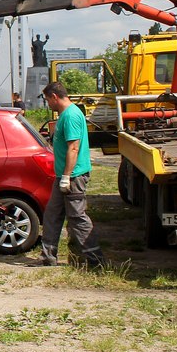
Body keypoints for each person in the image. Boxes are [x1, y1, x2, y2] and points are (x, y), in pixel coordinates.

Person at [37, 80, 104, 269]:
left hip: (73, 177)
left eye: (47, 100)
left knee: (76, 217)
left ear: (54, 97)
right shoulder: (66, 115)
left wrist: (67, 176)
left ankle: (95, 260)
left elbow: (73, 148)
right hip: (64, 176)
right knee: (52, 214)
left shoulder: (71, 116)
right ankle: (48, 256)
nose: (48, 104)